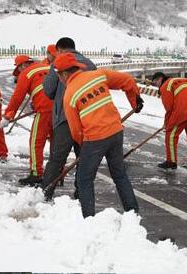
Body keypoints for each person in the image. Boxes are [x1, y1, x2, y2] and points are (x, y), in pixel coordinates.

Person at [54, 52, 143, 218]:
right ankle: (133, 214)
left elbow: (76, 131)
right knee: (119, 174)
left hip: (95, 139)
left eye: (58, 75)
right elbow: (127, 81)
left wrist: (85, 147)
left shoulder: (69, 95)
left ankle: (89, 219)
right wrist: (135, 100)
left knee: (84, 180)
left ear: (65, 74)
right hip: (116, 131)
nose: (59, 79)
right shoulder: (98, 74)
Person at [41, 37, 97, 199]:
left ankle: (46, 193)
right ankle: (82, 193)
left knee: (57, 158)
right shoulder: (90, 64)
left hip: (65, 118)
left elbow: (48, 90)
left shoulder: (59, 63)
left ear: (59, 50)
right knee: (84, 158)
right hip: (87, 117)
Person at [0, 55, 53, 186]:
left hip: (45, 111)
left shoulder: (26, 73)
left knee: (36, 142)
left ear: (23, 66)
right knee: (56, 142)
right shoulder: (49, 67)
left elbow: (17, 97)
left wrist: (7, 116)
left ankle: (36, 174)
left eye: (18, 69)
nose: (19, 73)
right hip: (61, 110)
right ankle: (57, 173)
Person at [151, 72, 187, 172]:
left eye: (155, 82)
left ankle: (171, 162)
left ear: (160, 79)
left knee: (171, 135)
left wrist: (167, 123)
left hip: (182, 110)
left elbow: (169, 107)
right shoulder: (185, 80)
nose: (156, 85)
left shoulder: (165, 86)